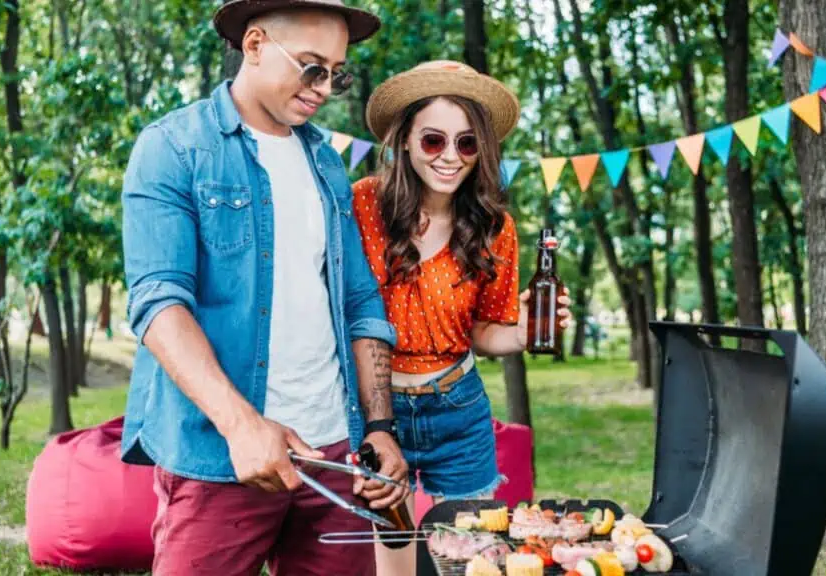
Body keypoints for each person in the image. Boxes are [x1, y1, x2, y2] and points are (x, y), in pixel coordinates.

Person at [118, 2, 409, 575]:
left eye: (336, 73)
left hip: (335, 454)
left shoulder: (327, 163)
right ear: (254, 45)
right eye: (311, 67)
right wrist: (243, 426)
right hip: (219, 454)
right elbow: (157, 302)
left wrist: (379, 427)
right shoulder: (173, 148)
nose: (325, 88)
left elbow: (359, 303)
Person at [351, 60, 573, 573]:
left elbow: (482, 332)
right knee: (395, 554)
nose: (451, 157)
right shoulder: (363, 203)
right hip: (378, 410)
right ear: (405, 140)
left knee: (474, 556)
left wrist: (521, 332)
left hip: (459, 409)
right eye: (434, 141)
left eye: (467, 143)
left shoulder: (495, 226)